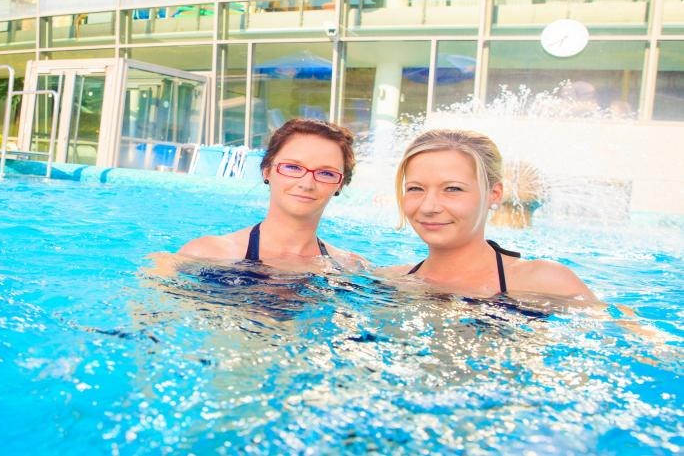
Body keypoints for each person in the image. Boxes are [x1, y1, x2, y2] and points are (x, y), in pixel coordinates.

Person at [378, 129, 597, 302]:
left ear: (494, 194)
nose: (429, 206)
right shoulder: (391, 281)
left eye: (453, 189)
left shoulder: (544, 281)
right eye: (416, 188)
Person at [176, 118, 368, 273]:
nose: (307, 184)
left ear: (340, 184)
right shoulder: (206, 254)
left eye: (326, 173)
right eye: (293, 167)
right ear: (267, 171)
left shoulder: (351, 268)